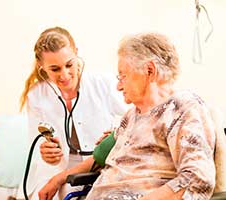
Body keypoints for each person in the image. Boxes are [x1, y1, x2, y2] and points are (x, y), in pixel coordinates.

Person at [38, 32, 216, 200]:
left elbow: (197, 179)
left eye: (123, 76)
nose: (118, 86)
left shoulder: (181, 108)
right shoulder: (131, 117)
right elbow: (99, 158)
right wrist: (58, 178)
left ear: (149, 71)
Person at [16, 26, 129, 200]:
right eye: (55, 69)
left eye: (69, 64)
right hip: (54, 169)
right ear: (42, 66)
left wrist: (115, 133)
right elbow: (35, 142)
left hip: (97, 164)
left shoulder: (103, 84)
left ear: (76, 53)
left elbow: (136, 117)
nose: (65, 74)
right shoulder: (36, 95)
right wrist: (46, 153)